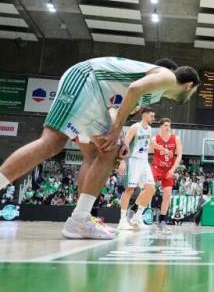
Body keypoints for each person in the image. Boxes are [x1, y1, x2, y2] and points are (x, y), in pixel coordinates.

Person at [0, 57, 200, 239]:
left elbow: (117, 109)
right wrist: (117, 130)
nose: (191, 97)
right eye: (193, 92)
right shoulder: (166, 76)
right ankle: (79, 220)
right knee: (52, 142)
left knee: (108, 149)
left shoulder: (155, 94)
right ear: (189, 85)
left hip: (96, 96)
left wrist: (118, 136)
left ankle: (79, 221)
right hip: (85, 79)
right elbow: (133, 89)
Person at [117, 107, 157, 231]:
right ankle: (122, 220)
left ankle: (137, 217)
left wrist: (162, 149)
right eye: (151, 116)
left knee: (151, 189)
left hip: (144, 161)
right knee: (129, 189)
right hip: (133, 160)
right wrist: (122, 161)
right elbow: (125, 144)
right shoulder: (135, 127)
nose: (153, 118)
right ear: (144, 115)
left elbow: (149, 143)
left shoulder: (150, 129)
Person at [151, 117, 182, 232]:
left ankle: (162, 220)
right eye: (165, 125)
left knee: (168, 193)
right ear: (160, 126)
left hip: (169, 168)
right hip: (157, 166)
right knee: (149, 189)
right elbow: (148, 148)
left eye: (169, 125)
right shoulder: (155, 138)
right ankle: (137, 211)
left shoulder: (176, 139)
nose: (168, 127)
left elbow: (179, 155)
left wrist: (173, 169)